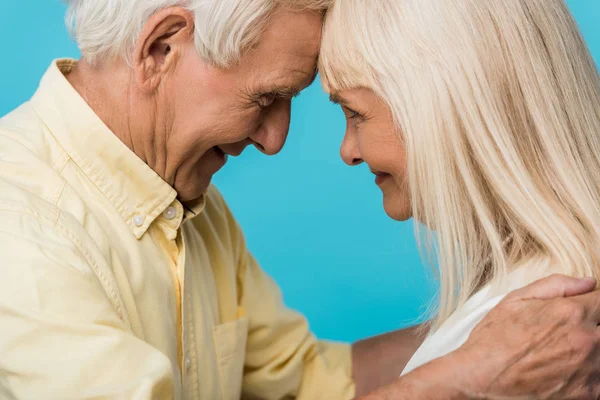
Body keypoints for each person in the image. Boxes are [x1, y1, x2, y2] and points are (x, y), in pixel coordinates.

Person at [1, 0, 600, 399]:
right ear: (161, 48)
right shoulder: (19, 231)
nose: (275, 139)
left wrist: (512, 328)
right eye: (265, 99)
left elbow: (314, 381)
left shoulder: (192, 213)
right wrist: (472, 375)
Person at [319, 0, 600, 398]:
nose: (348, 150)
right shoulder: (540, 331)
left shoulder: (540, 359)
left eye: (355, 113)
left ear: (439, 104)